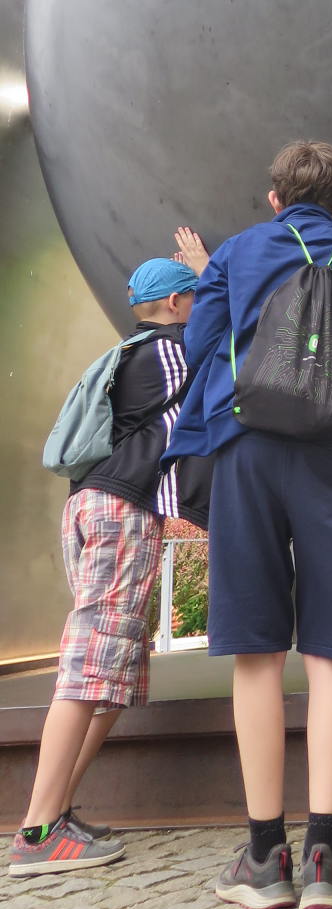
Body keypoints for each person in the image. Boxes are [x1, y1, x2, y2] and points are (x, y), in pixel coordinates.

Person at [171, 140, 332, 909]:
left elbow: (199, 345)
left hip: (247, 451)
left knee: (257, 649)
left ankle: (263, 857)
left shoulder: (238, 253)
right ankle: (326, 858)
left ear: (275, 199)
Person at [10, 258, 206, 877]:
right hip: (119, 511)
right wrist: (214, 273)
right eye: (196, 296)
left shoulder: (131, 355)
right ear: (176, 303)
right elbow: (226, 346)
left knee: (117, 669)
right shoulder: (168, 350)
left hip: (93, 505)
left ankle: (57, 812)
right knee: (90, 667)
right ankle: (37, 832)